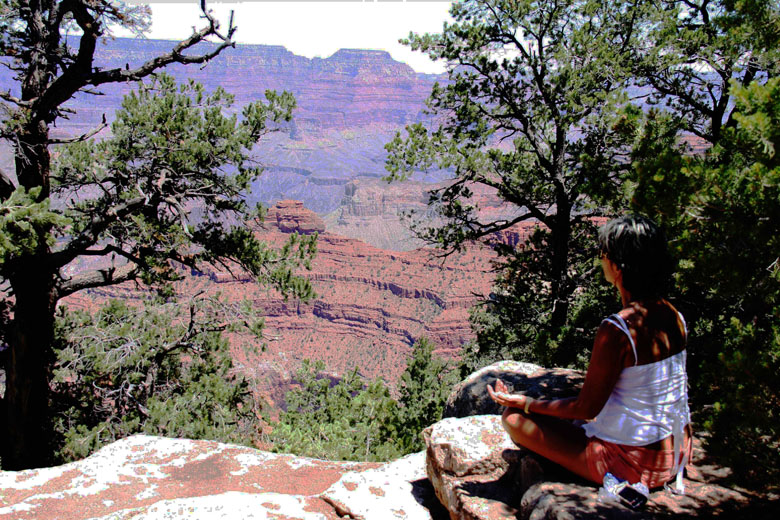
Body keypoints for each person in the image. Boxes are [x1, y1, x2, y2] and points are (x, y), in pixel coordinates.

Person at [487, 215, 692, 493]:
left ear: (618, 267)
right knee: (569, 419)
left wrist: (524, 402)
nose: (601, 260)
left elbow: (587, 408)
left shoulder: (618, 328)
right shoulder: (674, 314)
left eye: (603, 254)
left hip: (633, 464)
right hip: (677, 451)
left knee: (513, 419)